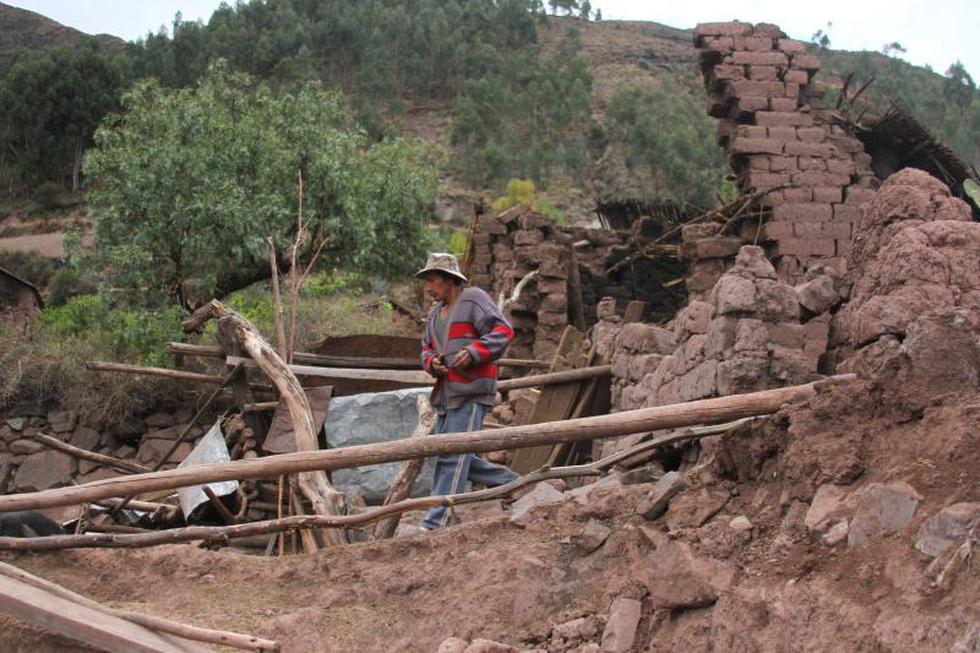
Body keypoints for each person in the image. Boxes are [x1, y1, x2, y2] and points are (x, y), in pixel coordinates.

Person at [416, 252, 518, 529]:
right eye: (427, 281)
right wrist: (432, 362)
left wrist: (475, 352)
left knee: (453, 455)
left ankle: (435, 522)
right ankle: (513, 482)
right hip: (446, 394)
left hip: (470, 392)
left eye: (434, 281)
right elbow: (425, 349)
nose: (429, 287)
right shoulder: (434, 315)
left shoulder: (473, 299)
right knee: (451, 454)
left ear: (450, 280)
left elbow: (503, 330)